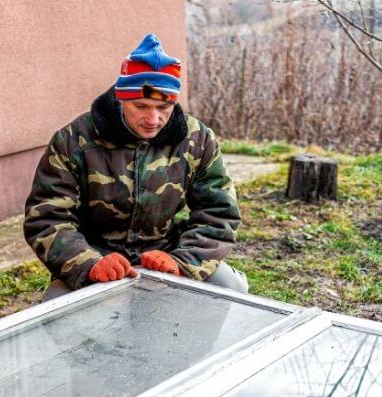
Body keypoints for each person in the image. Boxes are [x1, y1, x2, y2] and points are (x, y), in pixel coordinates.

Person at [24, 34, 247, 301]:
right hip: (98, 256)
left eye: (164, 106)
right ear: (121, 98)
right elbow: (47, 218)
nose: (154, 119)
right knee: (55, 306)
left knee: (232, 289)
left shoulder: (197, 139)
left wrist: (182, 261)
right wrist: (88, 263)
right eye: (141, 106)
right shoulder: (73, 140)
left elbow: (219, 213)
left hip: (165, 253)